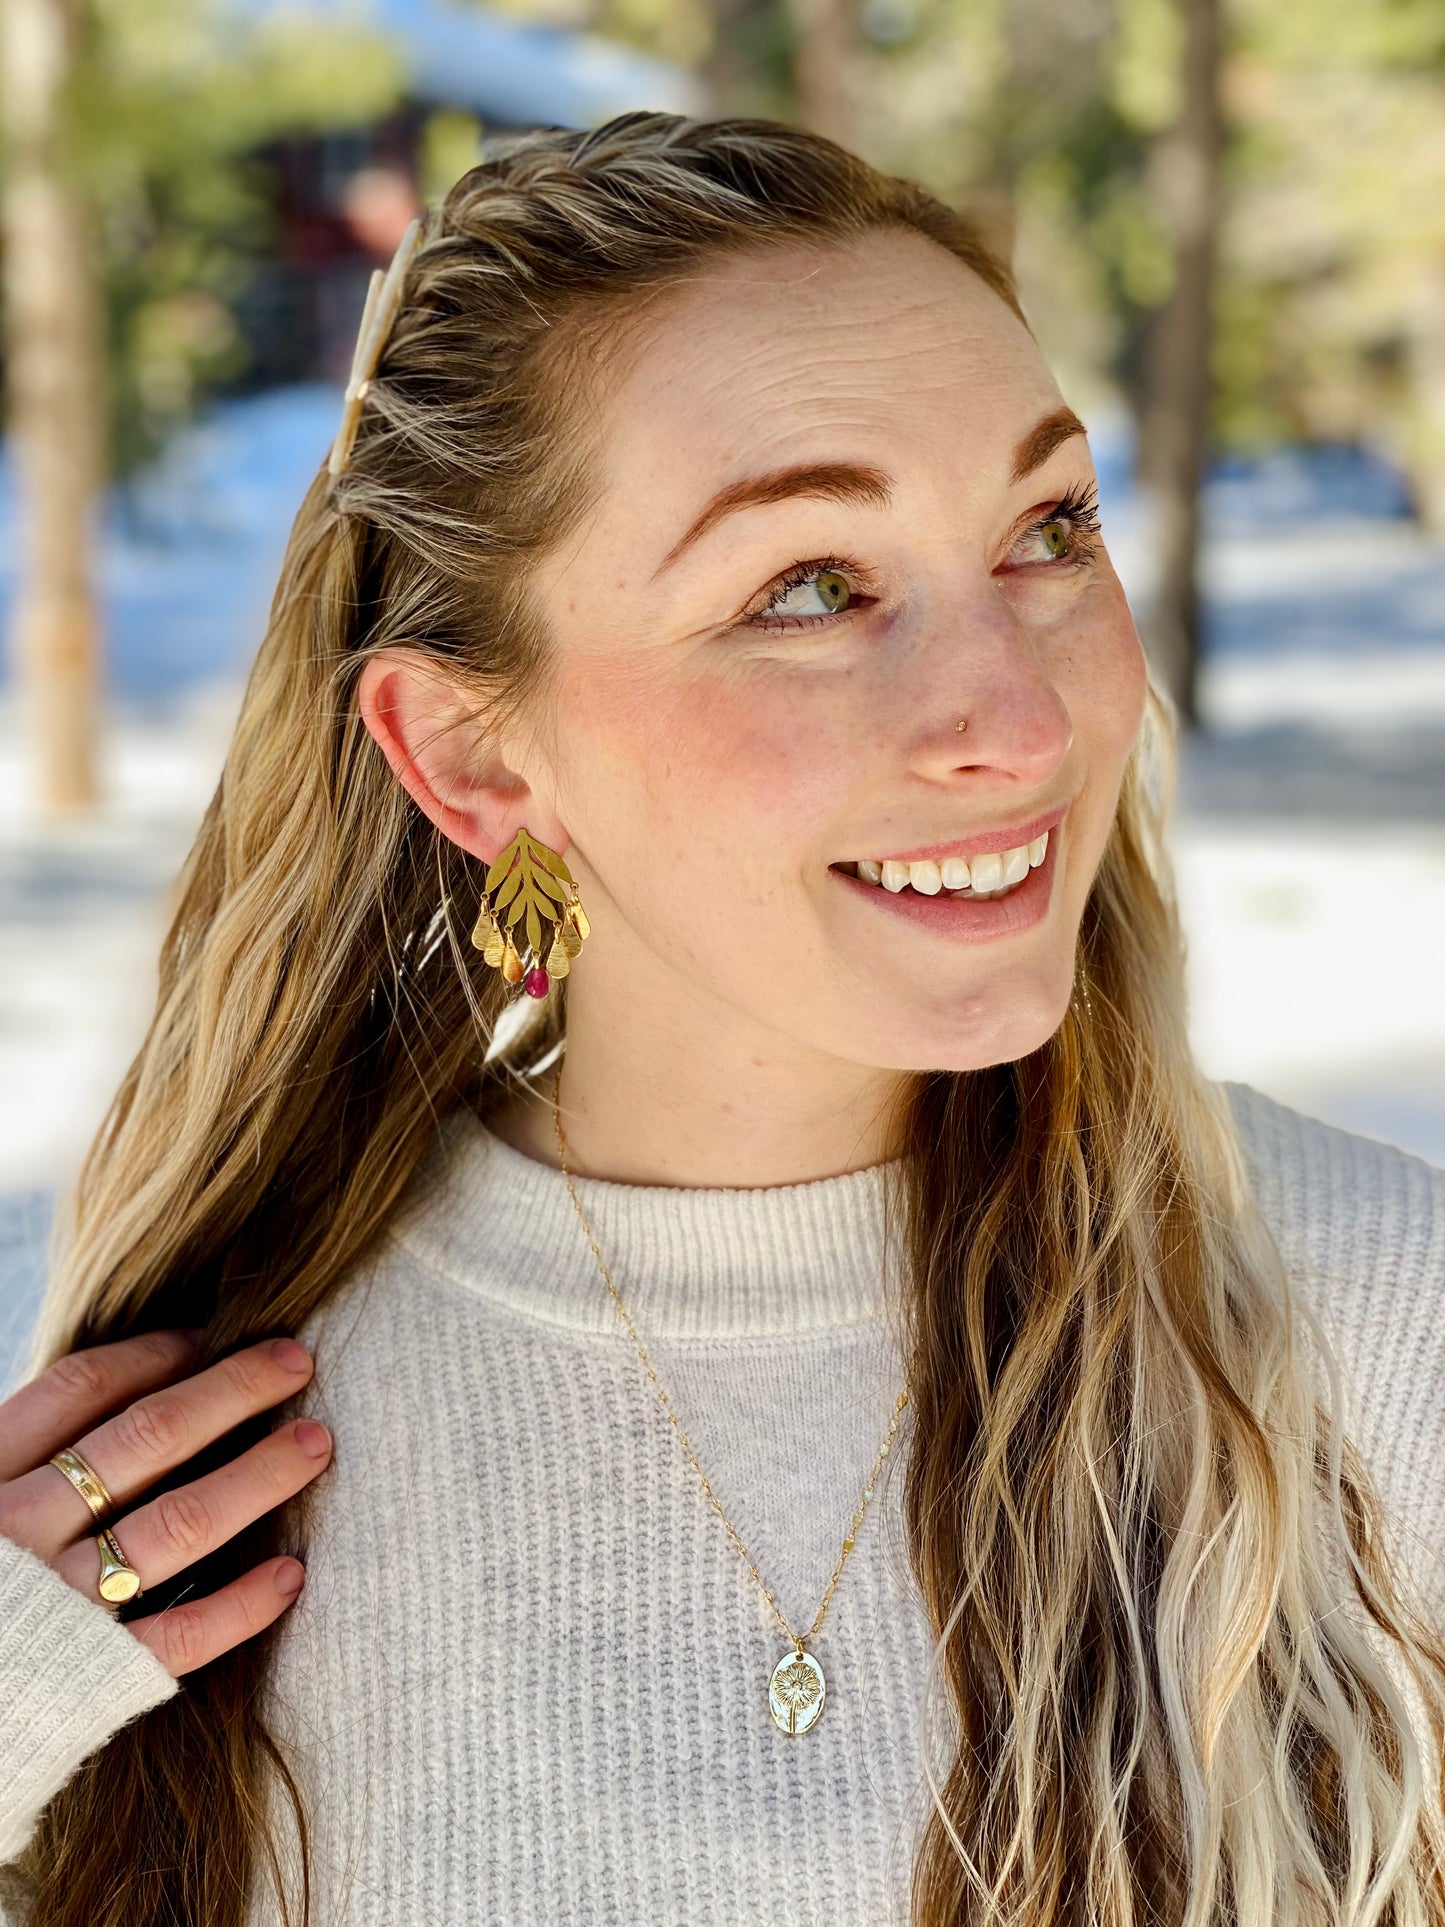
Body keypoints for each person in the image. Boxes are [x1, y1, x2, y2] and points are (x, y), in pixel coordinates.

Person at [1, 110, 1443, 1927]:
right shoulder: (124, 1457)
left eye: (1047, 527)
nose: (1015, 712)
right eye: (810, 588)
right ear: (467, 754)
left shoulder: (1379, 1335)